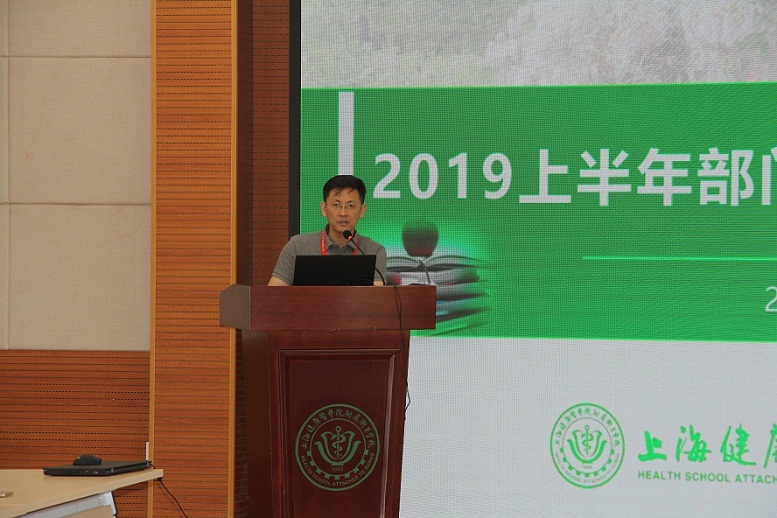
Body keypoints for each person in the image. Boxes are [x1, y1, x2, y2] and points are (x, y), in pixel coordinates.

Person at [268, 175, 388, 286]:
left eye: (350, 206)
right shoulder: (297, 246)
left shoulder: (374, 250)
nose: (343, 213)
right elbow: (274, 293)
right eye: (336, 205)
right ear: (324, 208)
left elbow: (377, 296)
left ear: (362, 210)